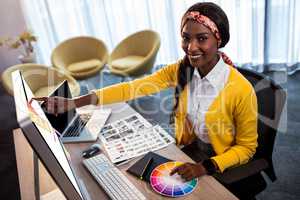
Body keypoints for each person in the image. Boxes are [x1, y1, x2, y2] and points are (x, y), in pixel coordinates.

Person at [34, 2, 258, 198]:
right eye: (186, 38)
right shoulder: (184, 69)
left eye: (202, 39)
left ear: (219, 40)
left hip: (219, 162)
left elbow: (247, 149)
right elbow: (132, 88)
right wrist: (74, 102)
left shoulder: (240, 89)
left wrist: (205, 167)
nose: (191, 48)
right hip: (189, 149)